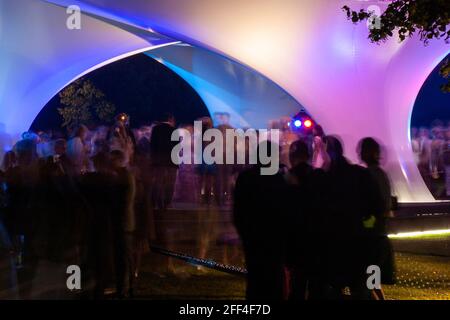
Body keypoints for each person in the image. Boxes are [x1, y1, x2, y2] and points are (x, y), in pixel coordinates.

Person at [317, 135, 380, 299]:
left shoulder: (324, 179)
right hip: (358, 241)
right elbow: (376, 204)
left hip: (332, 245)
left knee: (332, 288)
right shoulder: (359, 174)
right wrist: (366, 226)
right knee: (360, 288)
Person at [233, 141, 288, 300]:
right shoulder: (278, 179)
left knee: (255, 279)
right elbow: (284, 211)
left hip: (253, 237)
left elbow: (238, 210)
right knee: (274, 279)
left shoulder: (246, 177)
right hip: (274, 238)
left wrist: (244, 232)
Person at [358, 137, 396, 300]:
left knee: (365, 282)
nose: (359, 154)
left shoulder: (369, 175)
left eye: (362, 150)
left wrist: (363, 223)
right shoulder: (382, 174)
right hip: (380, 236)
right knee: (372, 280)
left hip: (371, 238)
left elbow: (374, 207)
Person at [109, 150, 136, 298]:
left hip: (123, 224)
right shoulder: (120, 176)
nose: (111, 163)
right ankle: (124, 287)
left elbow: (125, 201)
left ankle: (125, 289)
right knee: (122, 258)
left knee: (124, 259)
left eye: (113, 160)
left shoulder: (124, 177)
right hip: (122, 223)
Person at [149, 113, 178, 209]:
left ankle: (154, 202)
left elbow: (152, 144)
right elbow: (177, 146)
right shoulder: (174, 130)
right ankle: (167, 203)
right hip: (171, 161)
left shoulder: (156, 129)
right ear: (171, 119)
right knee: (170, 182)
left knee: (158, 181)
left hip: (158, 160)